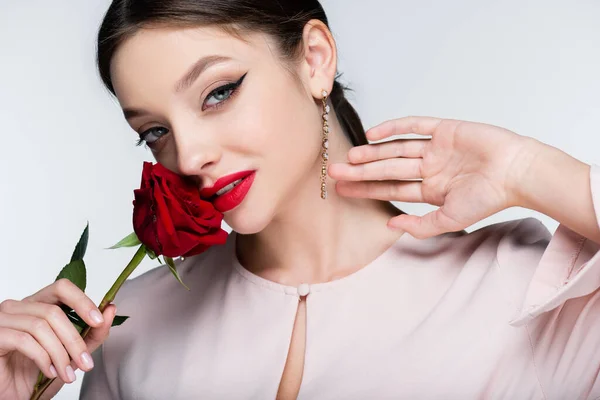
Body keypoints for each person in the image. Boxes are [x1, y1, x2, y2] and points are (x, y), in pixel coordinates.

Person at [0, 0, 598, 399]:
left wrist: (532, 170)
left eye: (218, 93)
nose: (188, 154)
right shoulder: (132, 328)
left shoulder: (522, 290)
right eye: (155, 131)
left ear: (314, 60)